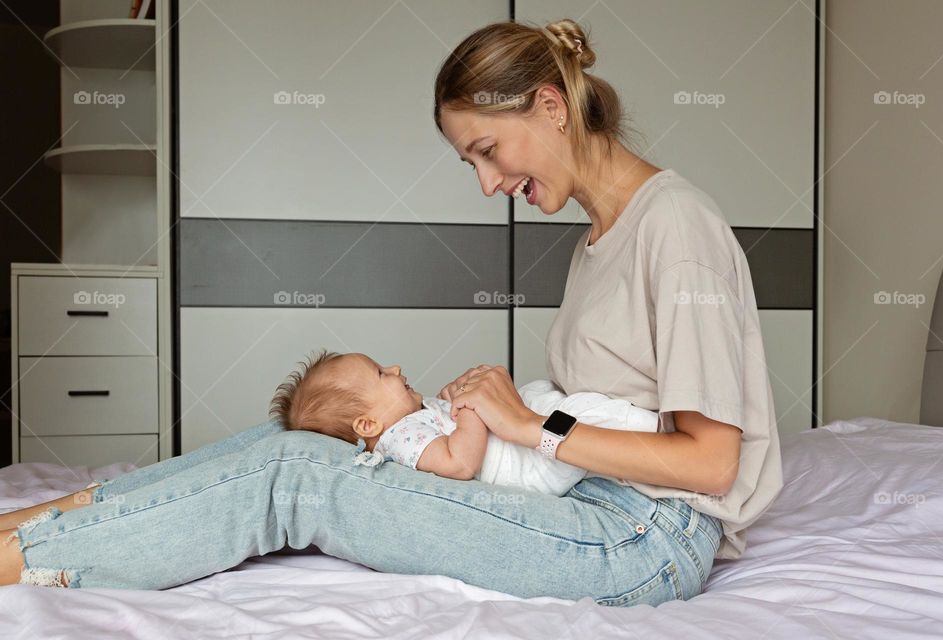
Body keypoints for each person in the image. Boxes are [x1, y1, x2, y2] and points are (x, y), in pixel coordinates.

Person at [0, 17, 782, 606]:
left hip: (643, 538)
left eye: (486, 150)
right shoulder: (599, 238)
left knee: (297, 478)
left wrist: (528, 426)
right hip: (587, 501)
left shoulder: (675, 227)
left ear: (549, 106)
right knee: (297, 438)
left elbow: (711, 463)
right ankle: (52, 517)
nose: (485, 183)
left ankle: (28, 555)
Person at [269, 349, 659, 495]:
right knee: (576, 415)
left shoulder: (407, 425)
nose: (396, 366)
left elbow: (441, 426)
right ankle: (653, 428)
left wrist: (455, 394)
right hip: (526, 467)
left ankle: (632, 426)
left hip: (517, 448)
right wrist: (471, 409)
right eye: (381, 373)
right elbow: (459, 463)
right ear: (368, 425)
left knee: (544, 392)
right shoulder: (400, 439)